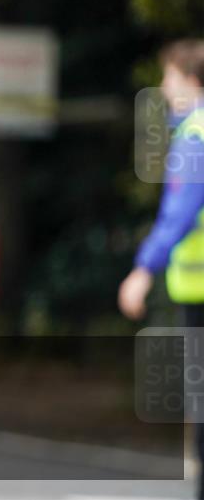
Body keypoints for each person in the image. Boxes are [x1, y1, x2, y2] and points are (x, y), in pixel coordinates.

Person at [118, 39, 204, 499]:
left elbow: (181, 212)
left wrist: (143, 268)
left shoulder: (196, 135)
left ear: (192, 80)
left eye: (169, 77)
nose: (163, 87)